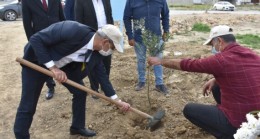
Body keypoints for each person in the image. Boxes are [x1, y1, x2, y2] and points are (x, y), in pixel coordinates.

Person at [13, 21, 130, 138]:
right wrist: (52, 68)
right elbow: (36, 39)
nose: (111, 52)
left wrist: (117, 100)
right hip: (36, 62)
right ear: (105, 42)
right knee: (28, 105)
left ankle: (77, 127)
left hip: (63, 67)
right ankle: (21, 135)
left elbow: (102, 76)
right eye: (112, 48)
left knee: (80, 92)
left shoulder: (96, 53)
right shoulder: (72, 30)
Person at [148, 25, 260, 138]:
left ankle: (229, 133)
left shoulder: (221, 59)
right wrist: (215, 79)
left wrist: (161, 61)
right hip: (256, 119)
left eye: (212, 44)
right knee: (216, 86)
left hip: (238, 123)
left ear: (220, 41)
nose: (213, 48)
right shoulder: (252, 55)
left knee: (189, 109)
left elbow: (189, 64)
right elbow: (241, 71)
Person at [21, 0, 65, 100]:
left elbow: (62, 17)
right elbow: (27, 23)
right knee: (45, 61)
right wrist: (32, 42)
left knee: (60, 57)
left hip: (57, 35)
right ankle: (50, 86)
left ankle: (72, 80)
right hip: (40, 38)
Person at [123, 0, 170, 94]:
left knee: (158, 59)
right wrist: (130, 36)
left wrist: (166, 31)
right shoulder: (131, 1)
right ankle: (141, 81)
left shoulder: (161, 1)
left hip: (156, 37)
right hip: (139, 38)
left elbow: (165, 15)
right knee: (141, 60)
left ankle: (159, 84)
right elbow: (126, 18)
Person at [75, 0, 114, 97]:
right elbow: (79, 21)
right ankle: (94, 88)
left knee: (106, 62)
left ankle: (105, 87)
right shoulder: (80, 2)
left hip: (106, 36)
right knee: (92, 64)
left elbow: (109, 16)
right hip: (92, 37)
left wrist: (112, 34)